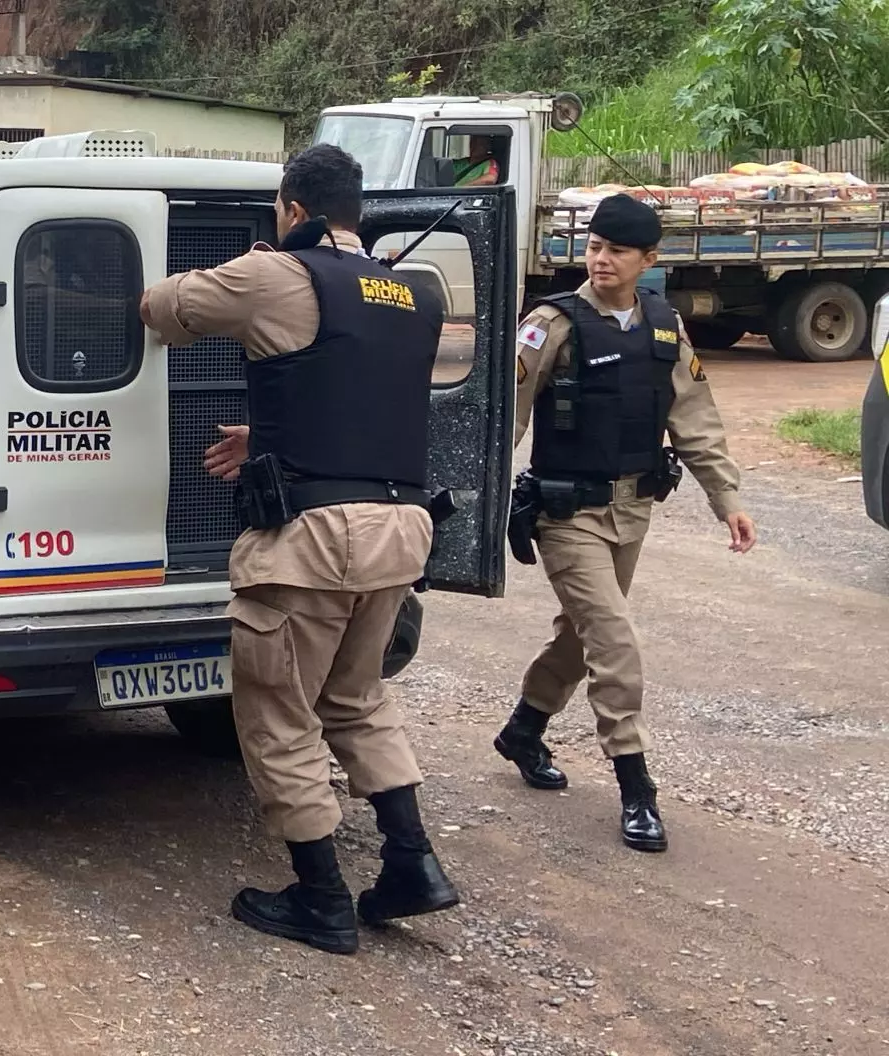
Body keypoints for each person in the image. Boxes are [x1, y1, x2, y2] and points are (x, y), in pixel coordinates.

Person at [139, 143, 459, 956]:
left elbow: (162, 307)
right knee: (356, 701)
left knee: (278, 717)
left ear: (292, 207)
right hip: (399, 531)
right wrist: (270, 433)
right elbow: (353, 391)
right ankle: (412, 866)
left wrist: (254, 260)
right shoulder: (414, 289)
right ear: (360, 212)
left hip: (314, 543)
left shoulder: (277, 273)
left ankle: (320, 899)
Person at [495, 193, 757, 853]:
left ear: (649, 259)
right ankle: (637, 788)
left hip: (632, 509)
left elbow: (694, 418)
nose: (601, 259)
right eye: (594, 246)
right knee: (616, 644)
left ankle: (524, 729)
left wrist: (727, 499)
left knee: (582, 640)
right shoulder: (552, 323)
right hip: (566, 514)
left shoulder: (666, 327)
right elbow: (505, 415)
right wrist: (476, 497)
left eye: (616, 250)